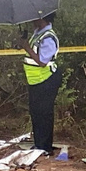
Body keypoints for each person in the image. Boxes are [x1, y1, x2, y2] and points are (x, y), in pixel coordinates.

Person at [20, 12, 61, 154]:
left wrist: (27, 47)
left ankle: (45, 147)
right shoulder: (37, 33)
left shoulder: (48, 37)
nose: (32, 20)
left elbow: (42, 61)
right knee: (36, 113)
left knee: (44, 113)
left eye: (35, 18)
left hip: (47, 79)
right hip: (36, 80)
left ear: (42, 18)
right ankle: (39, 144)